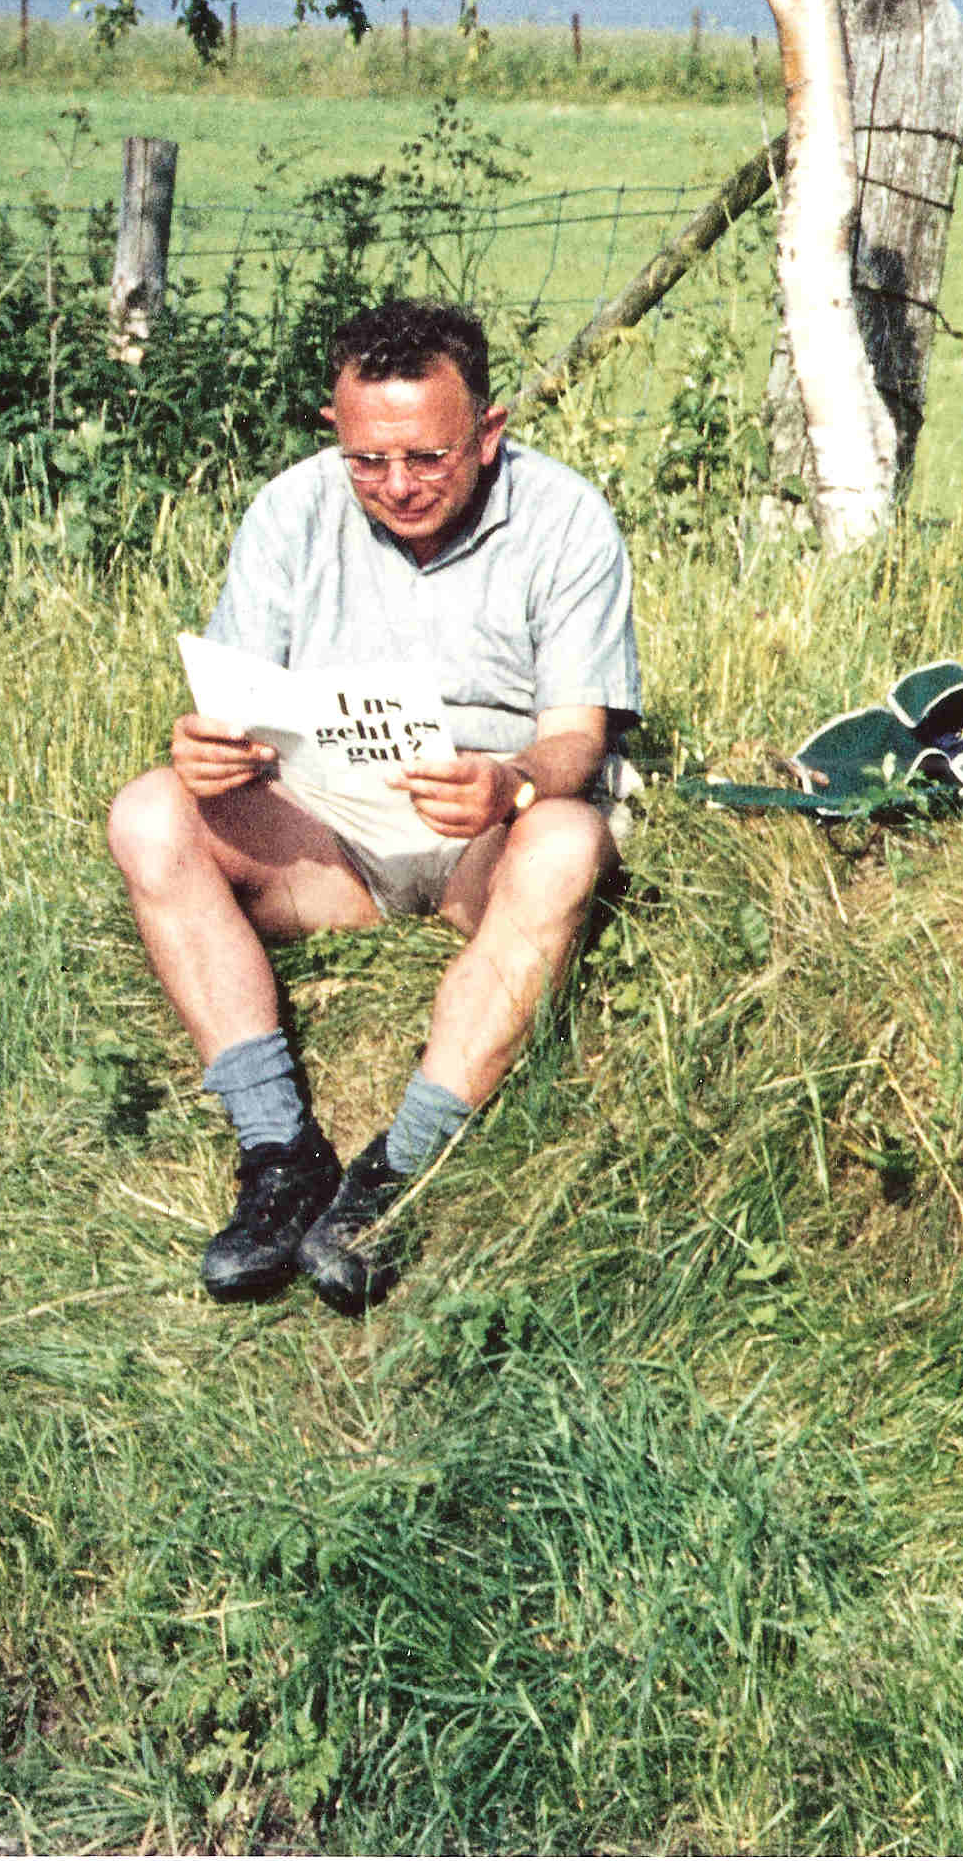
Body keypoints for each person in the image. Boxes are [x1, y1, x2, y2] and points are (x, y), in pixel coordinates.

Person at [105, 297, 636, 1313]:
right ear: (333, 432)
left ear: (488, 433)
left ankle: (396, 1177)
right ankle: (277, 1157)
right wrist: (207, 748)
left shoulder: (566, 516)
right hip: (328, 828)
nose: (396, 486)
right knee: (148, 812)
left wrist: (512, 783)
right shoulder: (289, 511)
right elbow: (237, 706)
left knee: (569, 841)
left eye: (429, 459)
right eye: (367, 462)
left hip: (487, 822)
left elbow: (579, 735)